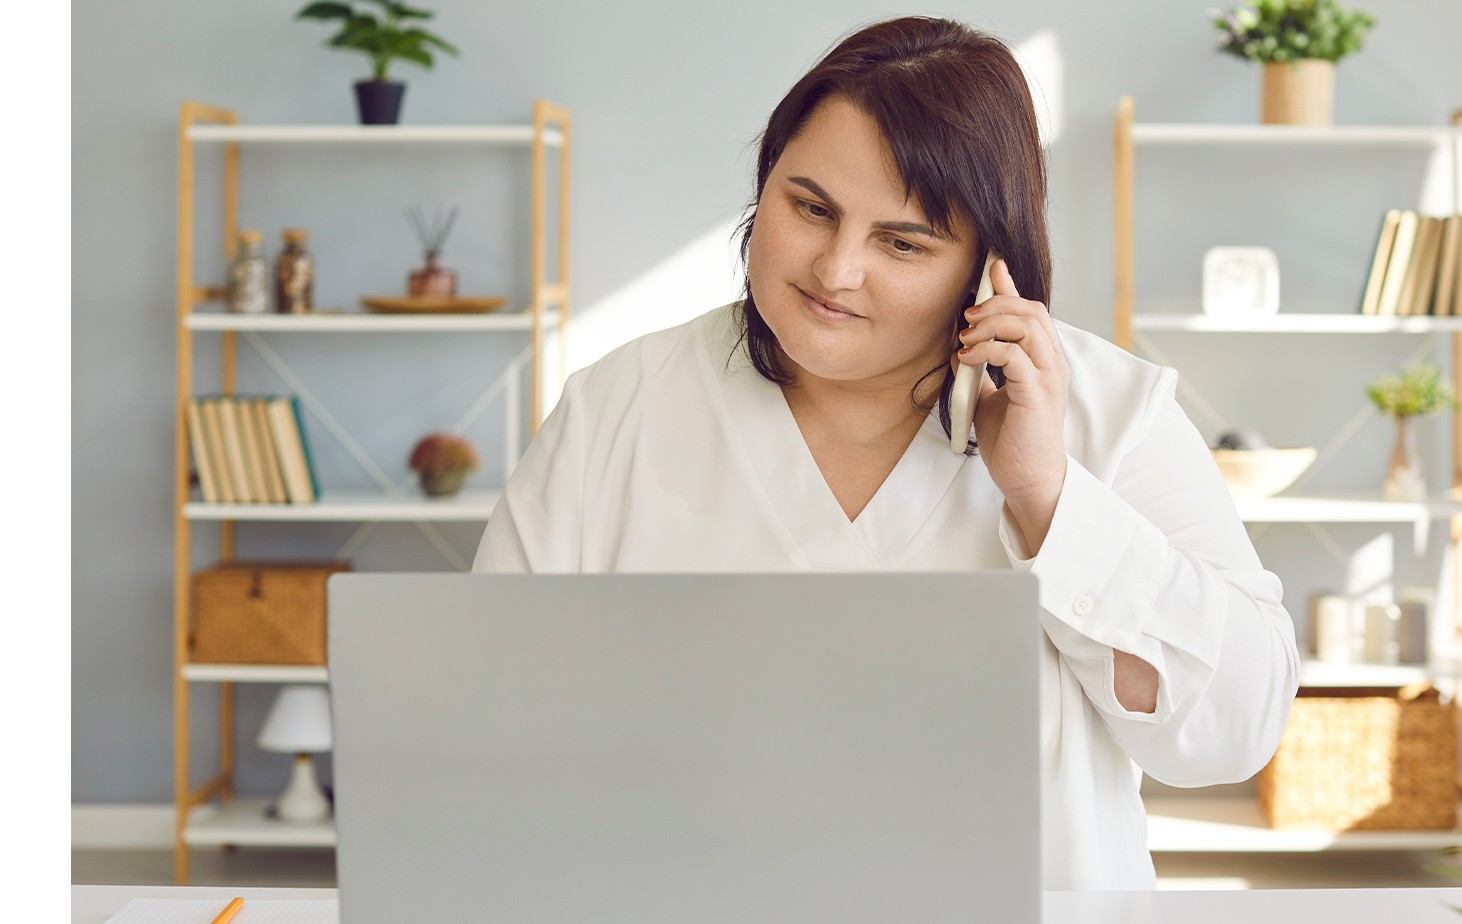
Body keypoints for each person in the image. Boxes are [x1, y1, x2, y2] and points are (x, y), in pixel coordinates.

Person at [471, 15, 1300, 891]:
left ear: (989, 264)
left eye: (902, 243)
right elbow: (482, 722)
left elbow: (1233, 731)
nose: (835, 271)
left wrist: (1050, 499)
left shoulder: (1112, 410)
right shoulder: (618, 407)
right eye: (809, 208)